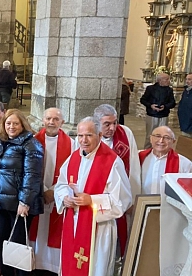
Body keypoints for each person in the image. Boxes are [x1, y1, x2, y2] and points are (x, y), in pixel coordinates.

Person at [54, 117, 132, 276]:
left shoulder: (112, 162)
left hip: (99, 228)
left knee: (96, 268)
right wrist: (64, 198)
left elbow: (123, 200)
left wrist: (92, 200)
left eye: (89, 135)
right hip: (73, 222)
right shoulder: (74, 157)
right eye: (80, 135)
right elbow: (61, 184)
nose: (83, 140)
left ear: (100, 135)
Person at [0, 109, 44, 276]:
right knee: (1, 240)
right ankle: (5, 273)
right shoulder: (2, 142)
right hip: (2, 202)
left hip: (19, 205)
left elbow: (32, 176)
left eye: (15, 123)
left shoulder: (31, 144)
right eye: (8, 123)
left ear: (23, 125)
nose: (11, 126)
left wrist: (25, 202)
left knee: (18, 245)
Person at [30, 108, 76, 274]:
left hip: (58, 194)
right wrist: (43, 190)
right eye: (48, 118)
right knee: (38, 230)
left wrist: (54, 191)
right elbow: (29, 170)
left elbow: (73, 172)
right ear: (43, 120)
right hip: (38, 193)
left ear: (62, 122)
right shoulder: (34, 140)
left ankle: (52, 266)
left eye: (56, 119)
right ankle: (35, 263)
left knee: (54, 230)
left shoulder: (72, 144)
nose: (51, 122)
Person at [93, 104, 140, 257]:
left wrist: (132, 199)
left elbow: (133, 166)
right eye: (107, 124)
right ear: (97, 122)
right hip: (96, 198)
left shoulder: (126, 133)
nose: (112, 128)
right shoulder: (89, 135)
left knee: (118, 236)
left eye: (115, 123)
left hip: (119, 197)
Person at [140, 126, 192, 194]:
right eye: (158, 136)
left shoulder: (185, 164)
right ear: (151, 138)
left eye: (167, 138)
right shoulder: (138, 158)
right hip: (142, 202)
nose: (161, 141)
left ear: (173, 141)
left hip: (169, 203)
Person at [140, 72, 176, 148]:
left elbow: (172, 103)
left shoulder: (169, 90)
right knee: (150, 135)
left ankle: (160, 150)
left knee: (163, 135)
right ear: (160, 80)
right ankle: (147, 151)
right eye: (166, 79)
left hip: (164, 115)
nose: (169, 81)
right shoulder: (150, 88)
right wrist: (151, 105)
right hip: (152, 115)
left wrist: (165, 106)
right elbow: (143, 100)